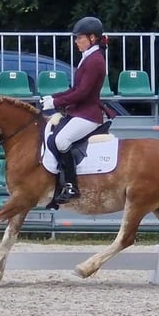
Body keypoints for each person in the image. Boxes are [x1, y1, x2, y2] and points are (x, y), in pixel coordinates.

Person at [42, 15, 111, 204]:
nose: (76, 41)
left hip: (88, 114)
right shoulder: (88, 58)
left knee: (62, 140)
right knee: (51, 134)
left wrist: (56, 103)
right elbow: (74, 89)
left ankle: (71, 186)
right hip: (79, 111)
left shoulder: (95, 60)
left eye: (79, 37)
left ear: (92, 38)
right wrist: (54, 97)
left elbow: (82, 93)